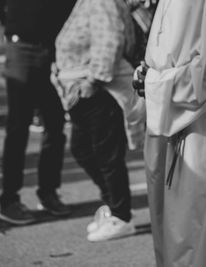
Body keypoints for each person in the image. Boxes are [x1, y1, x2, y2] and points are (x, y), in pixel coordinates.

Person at [141, 0, 206, 266]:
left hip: (200, 128)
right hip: (173, 118)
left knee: (193, 223)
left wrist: (153, 82)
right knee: (176, 219)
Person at [53, 0, 145, 242]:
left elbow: (108, 41)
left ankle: (121, 216)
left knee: (106, 155)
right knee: (83, 150)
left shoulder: (102, 1)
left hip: (97, 88)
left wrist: (92, 81)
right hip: (83, 87)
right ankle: (115, 206)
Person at [0, 0, 75, 225]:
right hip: (21, 48)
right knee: (18, 126)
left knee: (54, 124)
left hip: (54, 51)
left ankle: (48, 192)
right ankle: (9, 199)